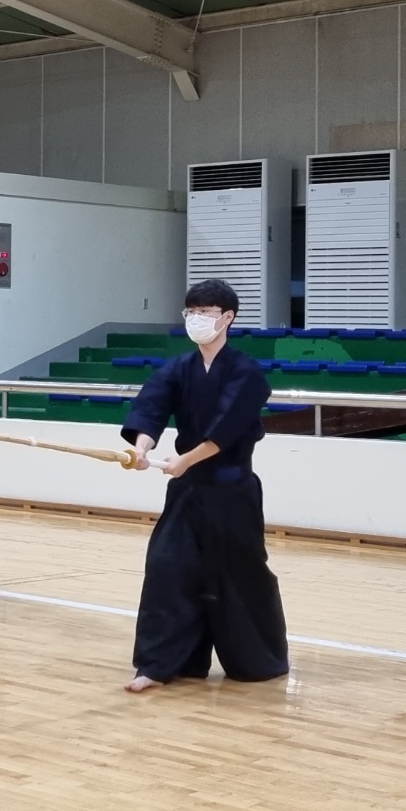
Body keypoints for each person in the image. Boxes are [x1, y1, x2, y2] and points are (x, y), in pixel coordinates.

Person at [119, 278, 289, 693]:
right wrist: (141, 448)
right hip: (188, 492)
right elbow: (152, 405)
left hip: (232, 491)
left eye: (205, 312)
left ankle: (257, 660)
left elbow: (226, 427)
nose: (196, 319)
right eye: (191, 312)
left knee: (238, 575)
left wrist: (185, 460)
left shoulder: (246, 372)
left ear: (227, 318)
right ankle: (161, 663)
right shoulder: (179, 368)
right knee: (167, 568)